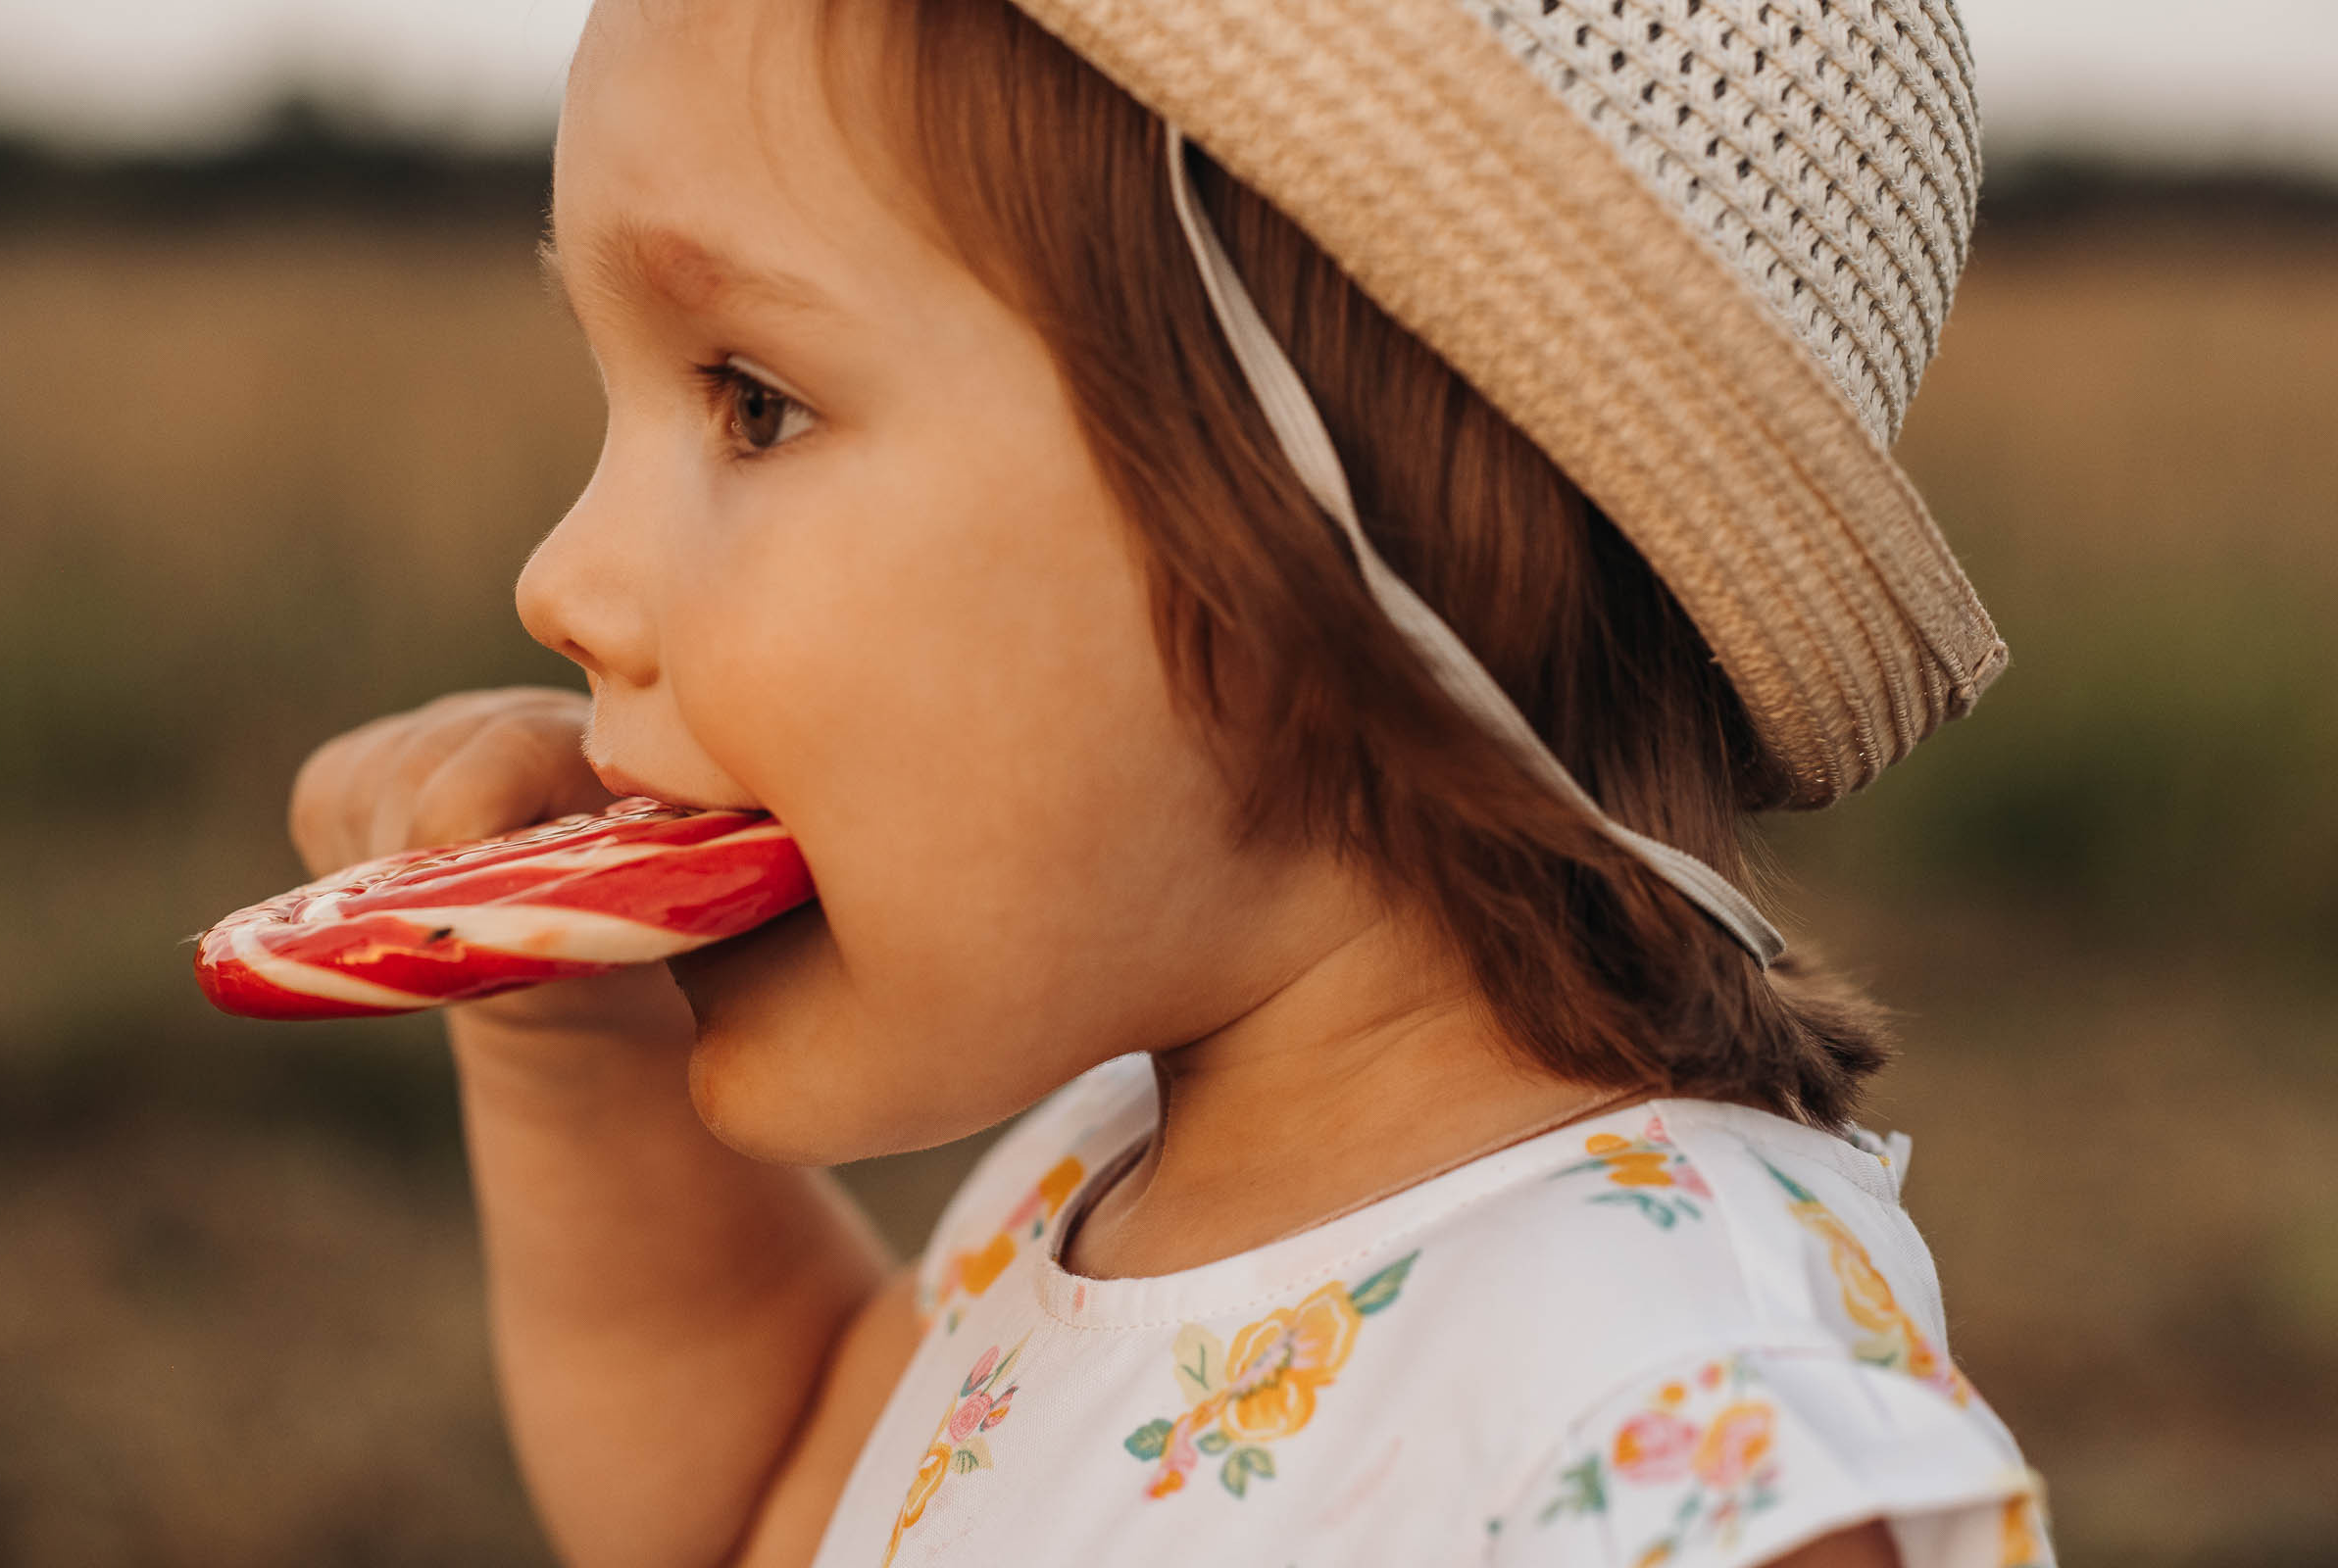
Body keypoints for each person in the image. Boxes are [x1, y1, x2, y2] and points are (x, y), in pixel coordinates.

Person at [282, 0, 2054, 1562]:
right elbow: (761, 1508)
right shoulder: (1102, 1183)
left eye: (754, 401)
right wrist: (569, 1063)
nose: (562, 583)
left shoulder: (1664, 1437)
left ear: (1326, 547)